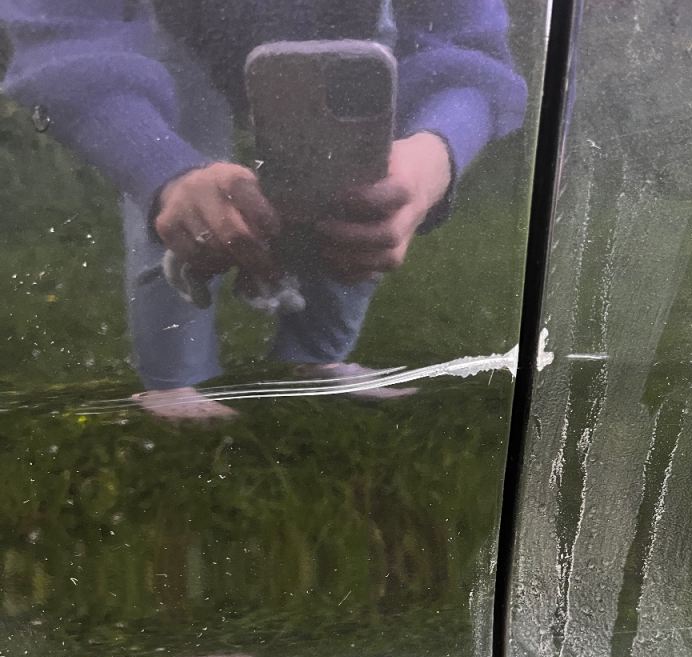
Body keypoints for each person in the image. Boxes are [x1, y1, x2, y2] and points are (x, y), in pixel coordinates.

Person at [0, 0, 527, 417]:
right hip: (182, 26)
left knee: (360, 184)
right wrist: (159, 169)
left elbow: (468, 38)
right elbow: (64, 30)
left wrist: (432, 156)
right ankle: (175, 382)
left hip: (346, 25)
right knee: (179, 202)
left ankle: (311, 358)